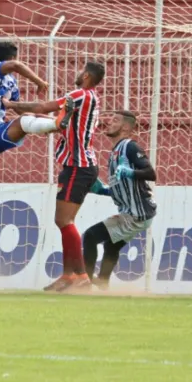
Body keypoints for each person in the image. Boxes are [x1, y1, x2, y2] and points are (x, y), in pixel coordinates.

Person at [1, 61, 104, 292]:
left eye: (80, 71)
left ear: (86, 75)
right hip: (79, 165)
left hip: (78, 165)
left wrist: (10, 104)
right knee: (64, 221)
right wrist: (27, 112)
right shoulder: (89, 98)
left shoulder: (80, 94)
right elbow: (57, 122)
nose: (77, 74)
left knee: (64, 221)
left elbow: (43, 106)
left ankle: (76, 276)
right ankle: (73, 276)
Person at [0, 41, 64, 266]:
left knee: (24, 122)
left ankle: (57, 125)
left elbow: (17, 108)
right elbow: (15, 65)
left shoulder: (11, 82)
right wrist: (40, 81)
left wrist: (46, 116)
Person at [84, 111, 157, 289]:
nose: (109, 122)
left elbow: (151, 173)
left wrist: (130, 172)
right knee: (111, 246)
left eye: (115, 120)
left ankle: (83, 281)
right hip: (135, 212)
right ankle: (103, 284)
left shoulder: (130, 147)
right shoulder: (116, 151)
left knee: (90, 236)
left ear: (125, 127)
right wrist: (103, 191)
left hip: (137, 214)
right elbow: (124, 189)